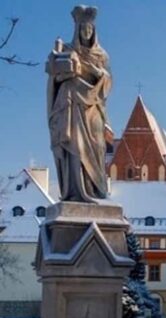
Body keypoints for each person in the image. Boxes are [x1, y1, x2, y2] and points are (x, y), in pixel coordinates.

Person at [46, 5, 112, 203]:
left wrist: (99, 73)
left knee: (97, 148)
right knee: (75, 149)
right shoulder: (67, 50)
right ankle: (77, 192)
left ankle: (95, 190)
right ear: (77, 31)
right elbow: (54, 81)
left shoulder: (101, 56)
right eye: (83, 29)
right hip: (71, 108)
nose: (86, 33)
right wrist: (62, 72)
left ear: (94, 32)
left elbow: (107, 84)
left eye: (90, 29)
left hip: (93, 110)